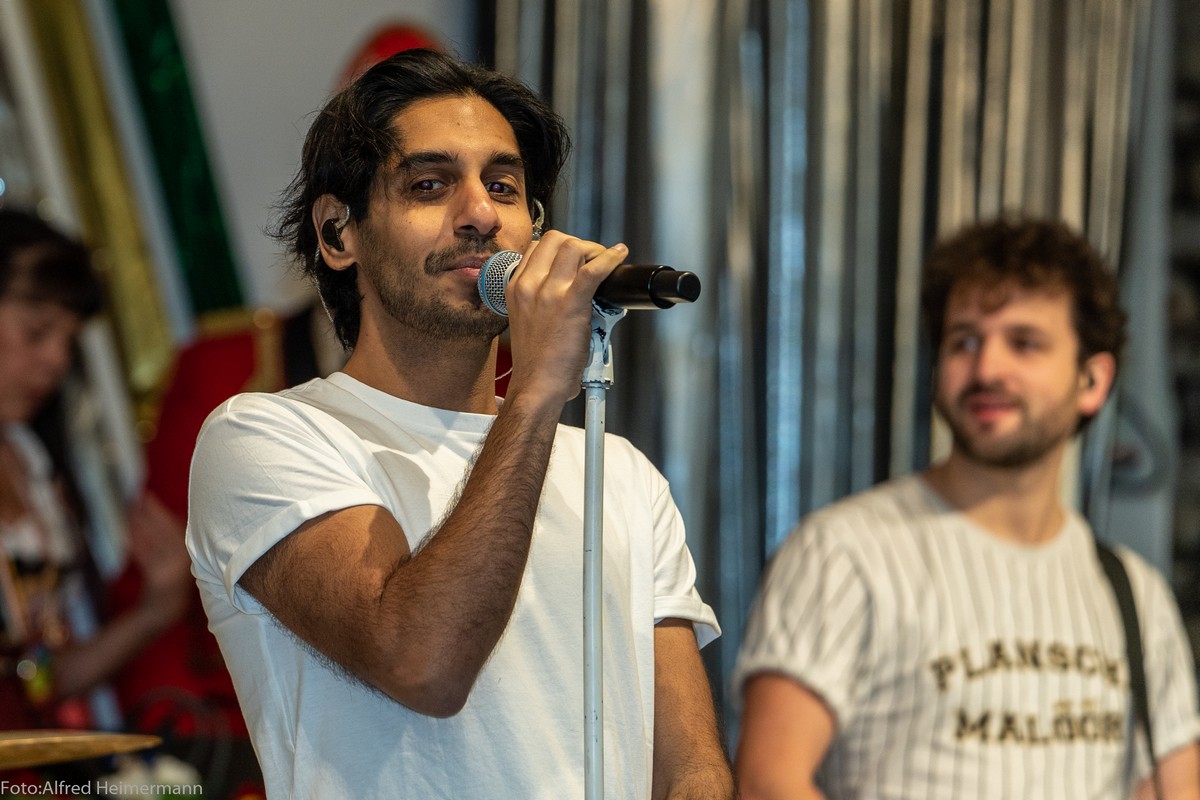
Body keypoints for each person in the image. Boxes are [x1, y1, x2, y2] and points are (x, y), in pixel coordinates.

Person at [186, 48, 733, 799]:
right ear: (338, 233)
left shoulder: (621, 475)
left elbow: (692, 770)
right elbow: (423, 664)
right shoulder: (264, 437)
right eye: (430, 185)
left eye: (503, 187)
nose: (480, 214)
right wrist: (537, 391)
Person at [733, 216, 1200, 799]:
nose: (987, 370)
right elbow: (767, 782)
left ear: (1092, 380)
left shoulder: (1137, 595)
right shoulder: (843, 552)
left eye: (1024, 343)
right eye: (964, 341)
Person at [0, 207, 191, 729]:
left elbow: (42, 683)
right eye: (37, 332)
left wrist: (156, 607)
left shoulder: (32, 464)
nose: (57, 360)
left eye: (69, 341)